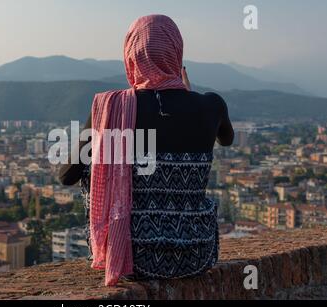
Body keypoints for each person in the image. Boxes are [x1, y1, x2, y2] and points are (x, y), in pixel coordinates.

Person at [59, 14, 234, 286]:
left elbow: (66, 175)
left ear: (131, 57)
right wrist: (188, 97)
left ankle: (114, 237)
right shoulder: (212, 105)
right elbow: (227, 139)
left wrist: (104, 139)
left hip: (132, 258)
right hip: (198, 253)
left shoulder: (109, 108)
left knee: (101, 163)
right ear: (177, 53)